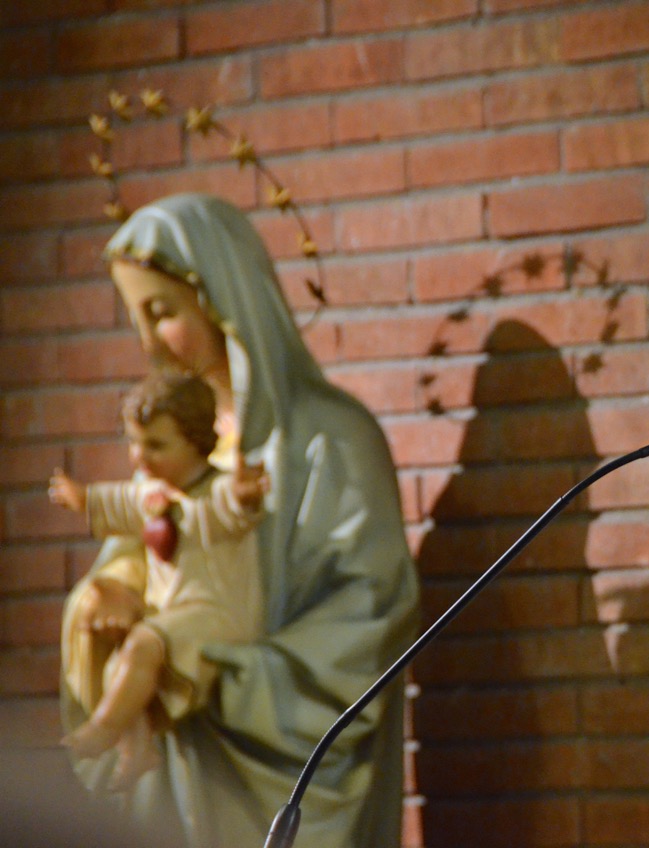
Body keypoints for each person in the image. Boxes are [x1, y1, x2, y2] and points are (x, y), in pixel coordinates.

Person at [59, 193, 420, 848]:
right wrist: (112, 590)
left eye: (163, 313)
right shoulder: (172, 444)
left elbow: (369, 612)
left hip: (273, 765)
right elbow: (148, 541)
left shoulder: (331, 439)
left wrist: (223, 673)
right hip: (178, 766)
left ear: (225, 298)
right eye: (136, 318)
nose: (148, 342)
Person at [51, 371, 267, 792]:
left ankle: (102, 730)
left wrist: (244, 496)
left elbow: (233, 509)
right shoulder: (155, 494)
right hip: (174, 613)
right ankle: (138, 749)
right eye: (133, 443)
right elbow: (119, 501)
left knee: (142, 645)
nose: (139, 457)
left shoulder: (213, 493)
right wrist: (82, 499)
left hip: (219, 614)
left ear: (195, 441)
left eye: (156, 445)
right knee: (120, 666)